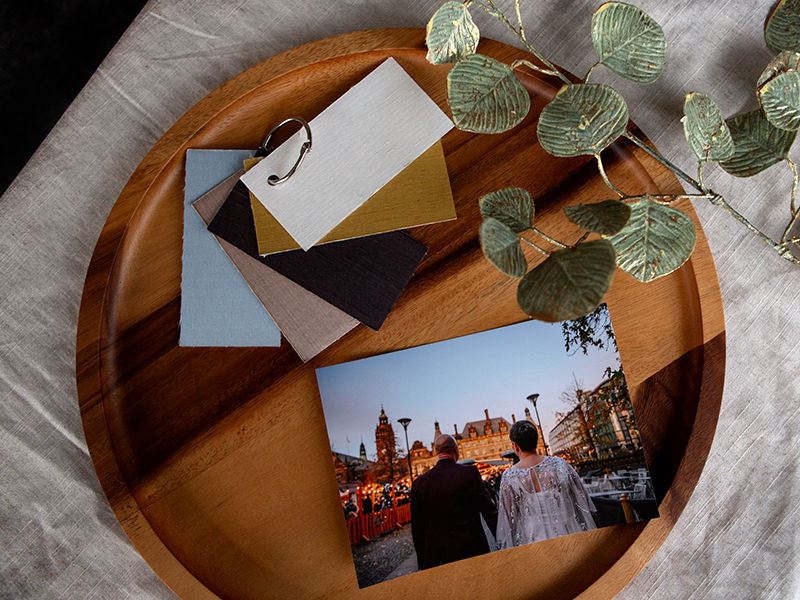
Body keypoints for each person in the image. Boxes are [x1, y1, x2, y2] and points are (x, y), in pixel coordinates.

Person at [496, 420, 597, 549]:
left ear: (515, 446)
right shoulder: (560, 464)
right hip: (568, 529)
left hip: (533, 537)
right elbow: (581, 498)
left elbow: (508, 517)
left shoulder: (509, 476)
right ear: (536, 441)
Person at [410, 434, 498, 570]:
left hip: (437, 558)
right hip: (472, 550)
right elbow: (490, 512)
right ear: (455, 450)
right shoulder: (469, 473)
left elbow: (417, 528)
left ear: (436, 452)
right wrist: (502, 542)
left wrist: (422, 562)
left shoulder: (419, 483)